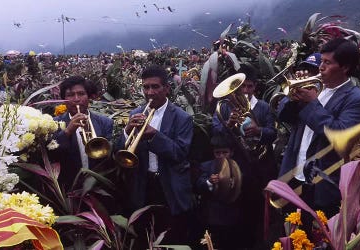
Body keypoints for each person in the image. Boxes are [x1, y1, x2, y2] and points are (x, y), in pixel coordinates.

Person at [276, 38, 360, 216]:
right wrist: (292, 99)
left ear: (345, 67)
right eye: (321, 61)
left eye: (327, 63)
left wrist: (311, 102)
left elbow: (340, 133)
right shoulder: (315, 87)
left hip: (322, 184)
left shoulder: (357, 99)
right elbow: (283, 116)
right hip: (293, 174)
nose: (321, 67)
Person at [121, 65, 194, 244]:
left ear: (166, 89)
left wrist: (154, 135)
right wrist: (126, 131)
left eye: (155, 87)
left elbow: (180, 153)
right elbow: (122, 150)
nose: (150, 92)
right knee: (144, 235)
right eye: (146, 87)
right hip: (144, 184)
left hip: (169, 186)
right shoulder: (135, 113)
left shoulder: (182, 117)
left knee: (171, 236)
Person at [211, 64, 277, 243]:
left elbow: (273, 133)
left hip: (260, 169)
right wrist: (229, 125)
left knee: (258, 212)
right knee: (235, 212)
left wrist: (259, 131)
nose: (245, 91)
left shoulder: (263, 107)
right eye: (242, 87)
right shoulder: (224, 107)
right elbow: (216, 134)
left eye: (249, 86)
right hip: (236, 167)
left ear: (255, 87)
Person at [51, 76, 113, 189]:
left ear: (89, 97)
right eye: (70, 95)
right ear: (64, 99)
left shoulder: (105, 123)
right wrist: (68, 131)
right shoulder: (53, 124)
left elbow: (108, 158)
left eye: (81, 94)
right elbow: (51, 154)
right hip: (67, 188)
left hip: (97, 186)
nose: (76, 99)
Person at [195, 136, 247, 249]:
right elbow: (199, 183)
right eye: (218, 153)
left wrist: (235, 181)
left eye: (225, 152)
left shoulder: (237, 167)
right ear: (213, 153)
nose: (221, 156)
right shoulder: (206, 166)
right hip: (213, 216)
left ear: (232, 152)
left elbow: (245, 185)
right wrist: (209, 181)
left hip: (233, 216)